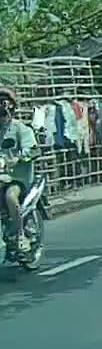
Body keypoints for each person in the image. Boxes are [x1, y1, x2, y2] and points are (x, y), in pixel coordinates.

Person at [0, 88, 38, 255]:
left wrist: (18, 158)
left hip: (17, 178)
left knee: (10, 196)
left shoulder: (20, 128)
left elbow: (34, 150)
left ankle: (21, 235)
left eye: (4, 112)